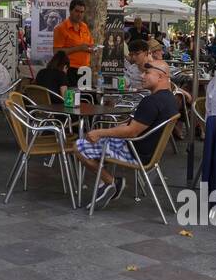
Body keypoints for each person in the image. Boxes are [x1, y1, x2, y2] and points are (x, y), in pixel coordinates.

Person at [75, 59, 179, 210]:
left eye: (147, 73)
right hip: (147, 151)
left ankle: (111, 183)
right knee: (97, 142)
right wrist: (109, 133)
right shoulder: (170, 99)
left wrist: (100, 132)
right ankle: (105, 184)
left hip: (134, 152)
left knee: (78, 147)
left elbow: (131, 131)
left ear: (161, 76)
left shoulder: (152, 101)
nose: (142, 76)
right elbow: (132, 125)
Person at [53, 0, 96, 86]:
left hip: (85, 69)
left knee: (86, 97)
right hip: (69, 69)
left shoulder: (84, 26)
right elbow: (56, 52)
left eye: (82, 12)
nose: (79, 14)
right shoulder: (61, 28)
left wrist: (92, 49)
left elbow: (90, 44)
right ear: (70, 11)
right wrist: (79, 48)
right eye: (77, 11)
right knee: (72, 97)